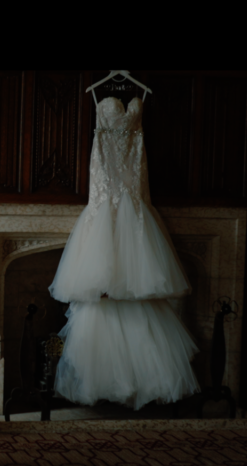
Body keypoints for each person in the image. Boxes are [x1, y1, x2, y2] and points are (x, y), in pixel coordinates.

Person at [48, 94, 199, 409]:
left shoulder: (138, 102)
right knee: (103, 293)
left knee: (136, 289)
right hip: (104, 202)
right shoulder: (98, 98)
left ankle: (140, 384)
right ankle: (109, 383)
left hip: (134, 200)